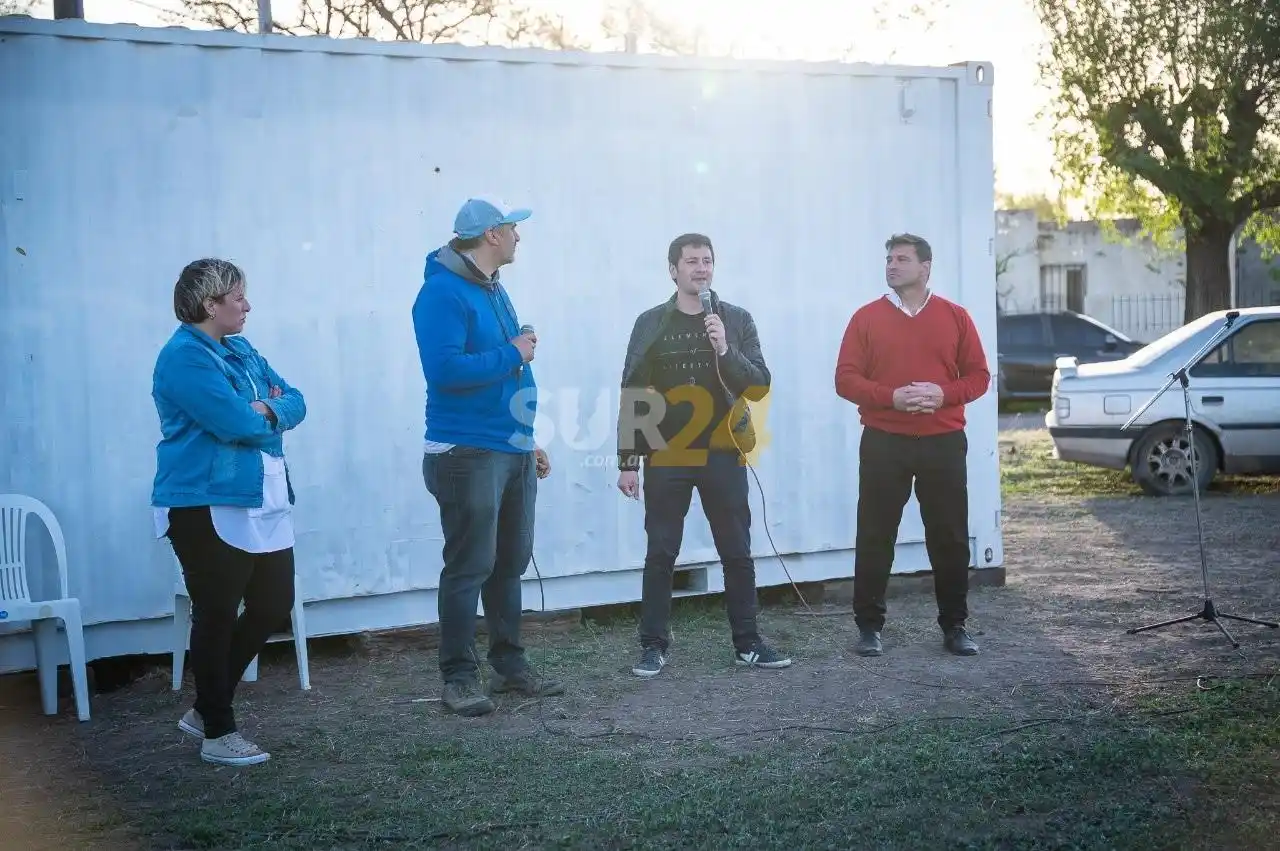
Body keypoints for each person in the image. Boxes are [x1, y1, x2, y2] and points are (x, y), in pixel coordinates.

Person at [150, 258, 307, 766]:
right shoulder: (184, 358)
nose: (246, 305)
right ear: (209, 304)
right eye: (237, 297)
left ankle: (205, 706)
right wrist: (267, 407)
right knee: (217, 614)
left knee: (272, 602)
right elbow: (234, 422)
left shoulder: (239, 348)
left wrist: (270, 409)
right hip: (204, 502)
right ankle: (218, 732)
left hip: (260, 497)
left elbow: (299, 400)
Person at [615, 232, 792, 678]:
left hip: (722, 453)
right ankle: (653, 647)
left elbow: (758, 385)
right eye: (691, 261)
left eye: (707, 260)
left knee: (737, 552)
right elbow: (634, 390)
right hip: (667, 455)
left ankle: (748, 644)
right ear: (672, 269)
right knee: (661, 553)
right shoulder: (651, 322)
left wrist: (725, 349)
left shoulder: (734, 319)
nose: (701, 268)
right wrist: (627, 461)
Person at [412, 197, 560, 717]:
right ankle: (458, 678)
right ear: (492, 235)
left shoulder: (492, 289)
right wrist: (514, 352)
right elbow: (446, 371)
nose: (520, 236)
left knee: (509, 564)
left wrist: (527, 438)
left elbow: (505, 379)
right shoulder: (441, 293)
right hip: (466, 452)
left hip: (507, 446)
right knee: (469, 566)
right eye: (513, 228)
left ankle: (510, 669)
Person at [834, 233, 991, 658]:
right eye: (888, 258)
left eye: (902, 259)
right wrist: (891, 397)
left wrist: (943, 394)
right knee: (875, 535)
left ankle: (955, 626)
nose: (891, 265)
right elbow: (845, 379)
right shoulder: (866, 318)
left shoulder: (955, 317)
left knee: (950, 537)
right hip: (884, 442)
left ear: (926, 267)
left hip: (943, 441)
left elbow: (979, 376)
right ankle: (869, 627)